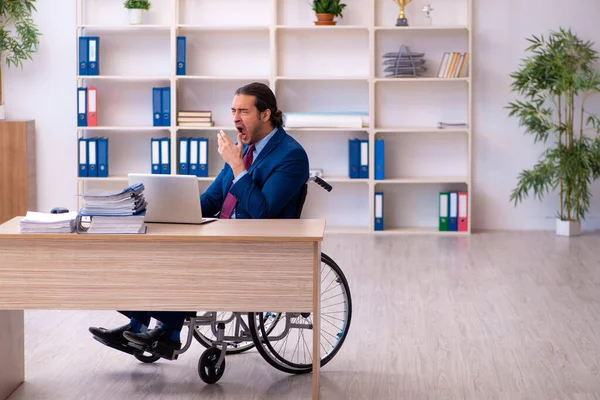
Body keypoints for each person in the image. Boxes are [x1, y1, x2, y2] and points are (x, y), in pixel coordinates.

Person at [88, 82, 310, 355]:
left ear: (265, 115)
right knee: (148, 247)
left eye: (243, 111)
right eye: (233, 111)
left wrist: (237, 166)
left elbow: (262, 212)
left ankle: (168, 332)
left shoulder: (291, 155)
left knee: (184, 255)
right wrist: (167, 209)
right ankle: (138, 325)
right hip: (223, 236)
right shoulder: (243, 148)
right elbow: (213, 200)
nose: (235, 118)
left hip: (257, 246)